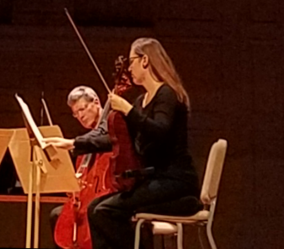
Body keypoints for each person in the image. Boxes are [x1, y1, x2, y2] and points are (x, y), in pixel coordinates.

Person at [86, 38, 200, 249]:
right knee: (94, 208)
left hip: (175, 181)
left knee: (105, 211)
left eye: (131, 61)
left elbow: (160, 131)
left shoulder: (167, 94)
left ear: (145, 60)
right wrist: (72, 143)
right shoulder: (141, 101)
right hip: (156, 180)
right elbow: (118, 140)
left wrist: (128, 110)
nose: (129, 68)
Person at [44, 85, 112, 239]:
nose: (80, 116)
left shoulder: (112, 128)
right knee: (57, 216)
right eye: (75, 114)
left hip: (109, 195)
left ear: (96, 102)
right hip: (88, 198)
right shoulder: (86, 142)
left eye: (82, 109)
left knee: (94, 213)